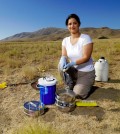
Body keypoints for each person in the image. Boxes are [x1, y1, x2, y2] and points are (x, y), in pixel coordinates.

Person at [58, 13, 95, 99]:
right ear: (67, 26)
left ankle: (85, 83)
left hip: (86, 73)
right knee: (60, 63)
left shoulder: (86, 38)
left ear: (79, 24)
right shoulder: (65, 40)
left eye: (75, 23)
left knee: (76, 95)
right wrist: (63, 59)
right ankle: (70, 83)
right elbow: (64, 55)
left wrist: (72, 63)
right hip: (74, 71)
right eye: (69, 24)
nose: (72, 25)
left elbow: (86, 57)